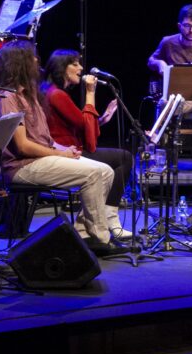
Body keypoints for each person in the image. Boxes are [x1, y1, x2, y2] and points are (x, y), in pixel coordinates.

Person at [0, 41, 120, 254]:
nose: (37, 60)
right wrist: (60, 153)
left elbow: (44, 139)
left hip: (40, 160)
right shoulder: (8, 97)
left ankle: (84, 234)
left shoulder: (29, 95)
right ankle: (101, 238)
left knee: (106, 171)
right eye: (32, 57)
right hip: (22, 167)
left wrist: (65, 150)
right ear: (19, 63)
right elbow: (23, 146)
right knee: (94, 173)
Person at [41, 49, 133, 238]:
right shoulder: (57, 95)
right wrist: (91, 93)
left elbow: (79, 126)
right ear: (62, 68)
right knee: (124, 158)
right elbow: (86, 132)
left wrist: (101, 121)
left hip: (69, 149)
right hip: (68, 152)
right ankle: (109, 218)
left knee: (121, 158)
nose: (81, 68)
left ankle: (102, 219)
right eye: (75, 64)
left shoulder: (53, 92)